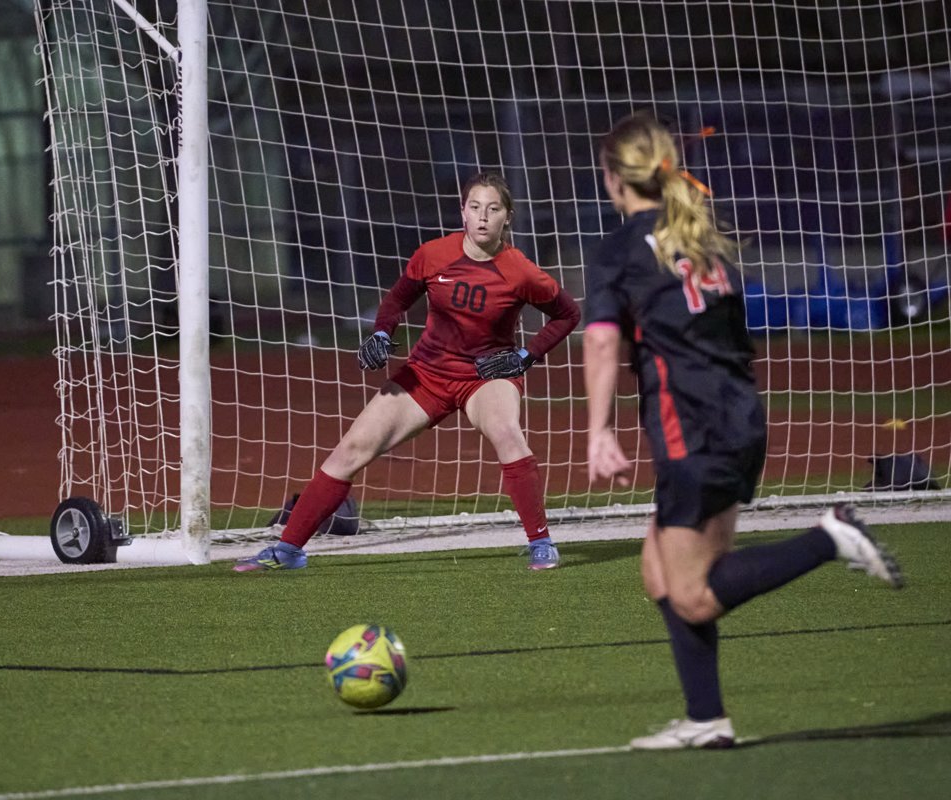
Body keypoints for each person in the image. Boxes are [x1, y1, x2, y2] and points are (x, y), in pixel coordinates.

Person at [582, 111, 904, 750]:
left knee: (694, 595)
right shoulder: (697, 237)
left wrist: (599, 430)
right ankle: (707, 719)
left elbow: (600, 343)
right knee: (656, 571)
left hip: (691, 430)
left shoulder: (620, 250)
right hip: (737, 418)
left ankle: (829, 537)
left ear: (616, 178)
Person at [235, 171, 581, 572]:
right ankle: (288, 550)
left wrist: (526, 356)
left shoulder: (519, 270)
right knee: (351, 449)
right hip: (427, 374)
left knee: (508, 435)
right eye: (475, 207)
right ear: (462, 214)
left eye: (493, 209)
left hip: (487, 375)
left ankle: (541, 542)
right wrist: (382, 333)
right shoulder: (433, 254)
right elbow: (396, 300)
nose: (483, 216)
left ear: (508, 217)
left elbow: (567, 313)